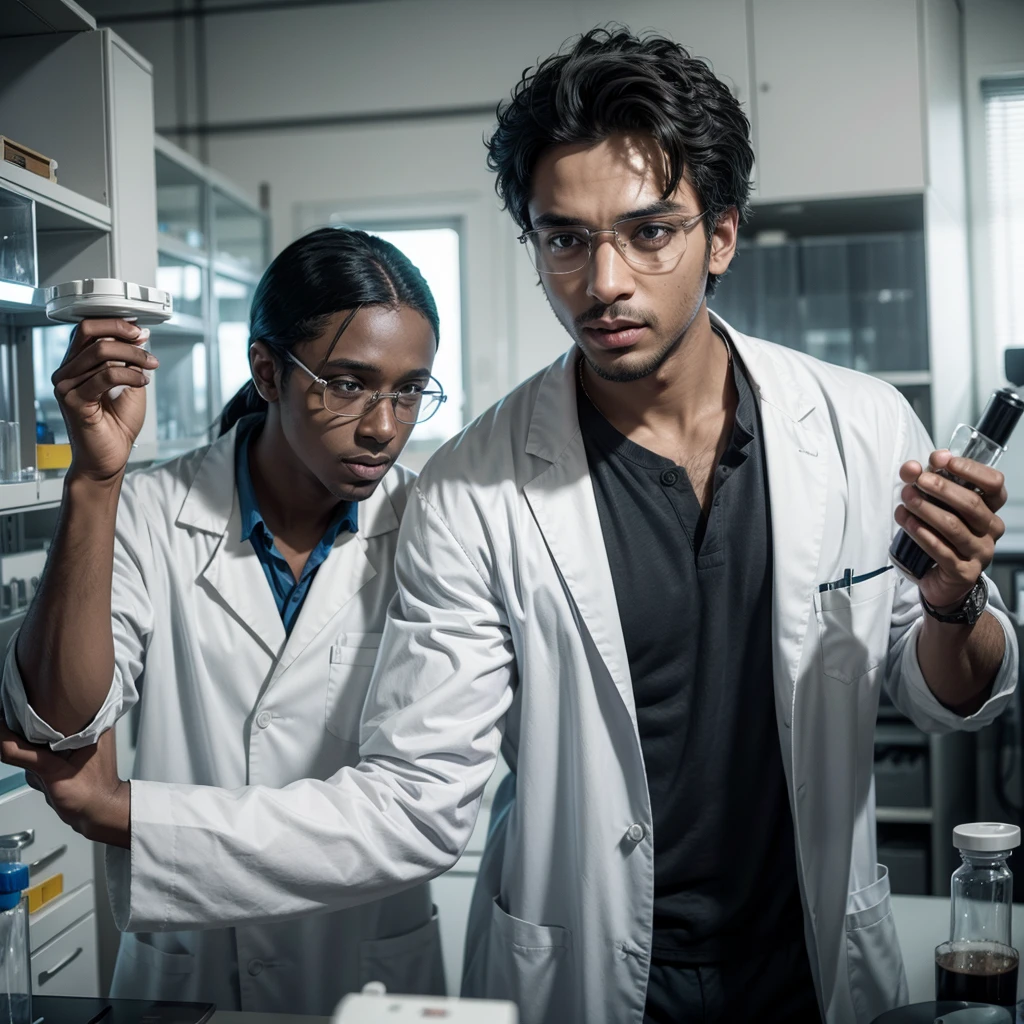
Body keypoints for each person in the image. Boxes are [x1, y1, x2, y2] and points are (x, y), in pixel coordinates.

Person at [2, 27, 1019, 1024]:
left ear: (720, 233)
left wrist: (954, 601)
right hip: (585, 967)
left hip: (810, 956)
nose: (603, 281)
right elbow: (419, 798)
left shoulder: (861, 425)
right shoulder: (470, 490)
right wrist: (134, 812)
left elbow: (944, 697)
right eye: (564, 239)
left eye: (648, 230)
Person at [0, 227, 449, 1013]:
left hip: (366, 967)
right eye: (348, 384)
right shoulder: (148, 512)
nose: (384, 426)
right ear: (268, 371)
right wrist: (95, 481)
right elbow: (62, 718)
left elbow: (418, 803)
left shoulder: (433, 526)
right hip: (193, 969)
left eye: (409, 389)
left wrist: (119, 809)